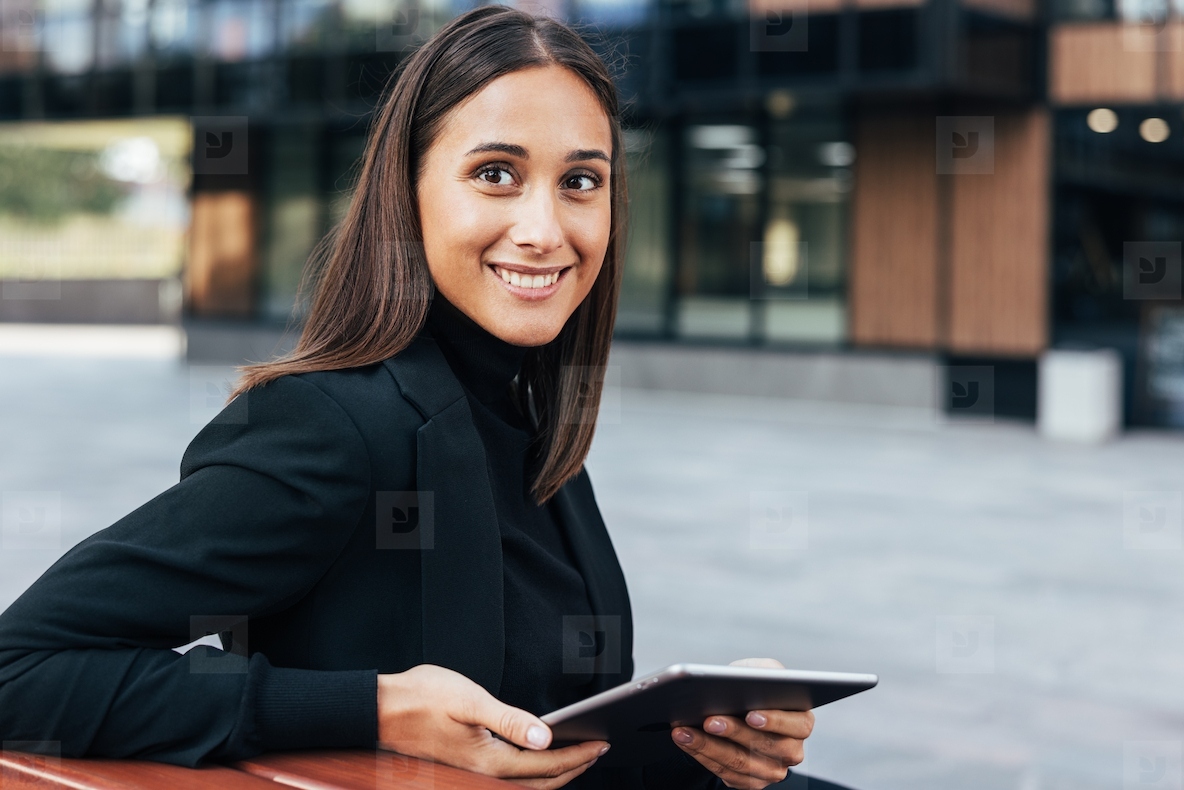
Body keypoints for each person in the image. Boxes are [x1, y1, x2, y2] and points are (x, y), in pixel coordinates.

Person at [0, 7, 851, 789]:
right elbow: (21, 669)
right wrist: (377, 707)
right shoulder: (331, 424)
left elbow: (539, 743)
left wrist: (708, 745)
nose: (545, 229)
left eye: (581, 182)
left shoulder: (528, 414)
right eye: (495, 173)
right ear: (407, 194)